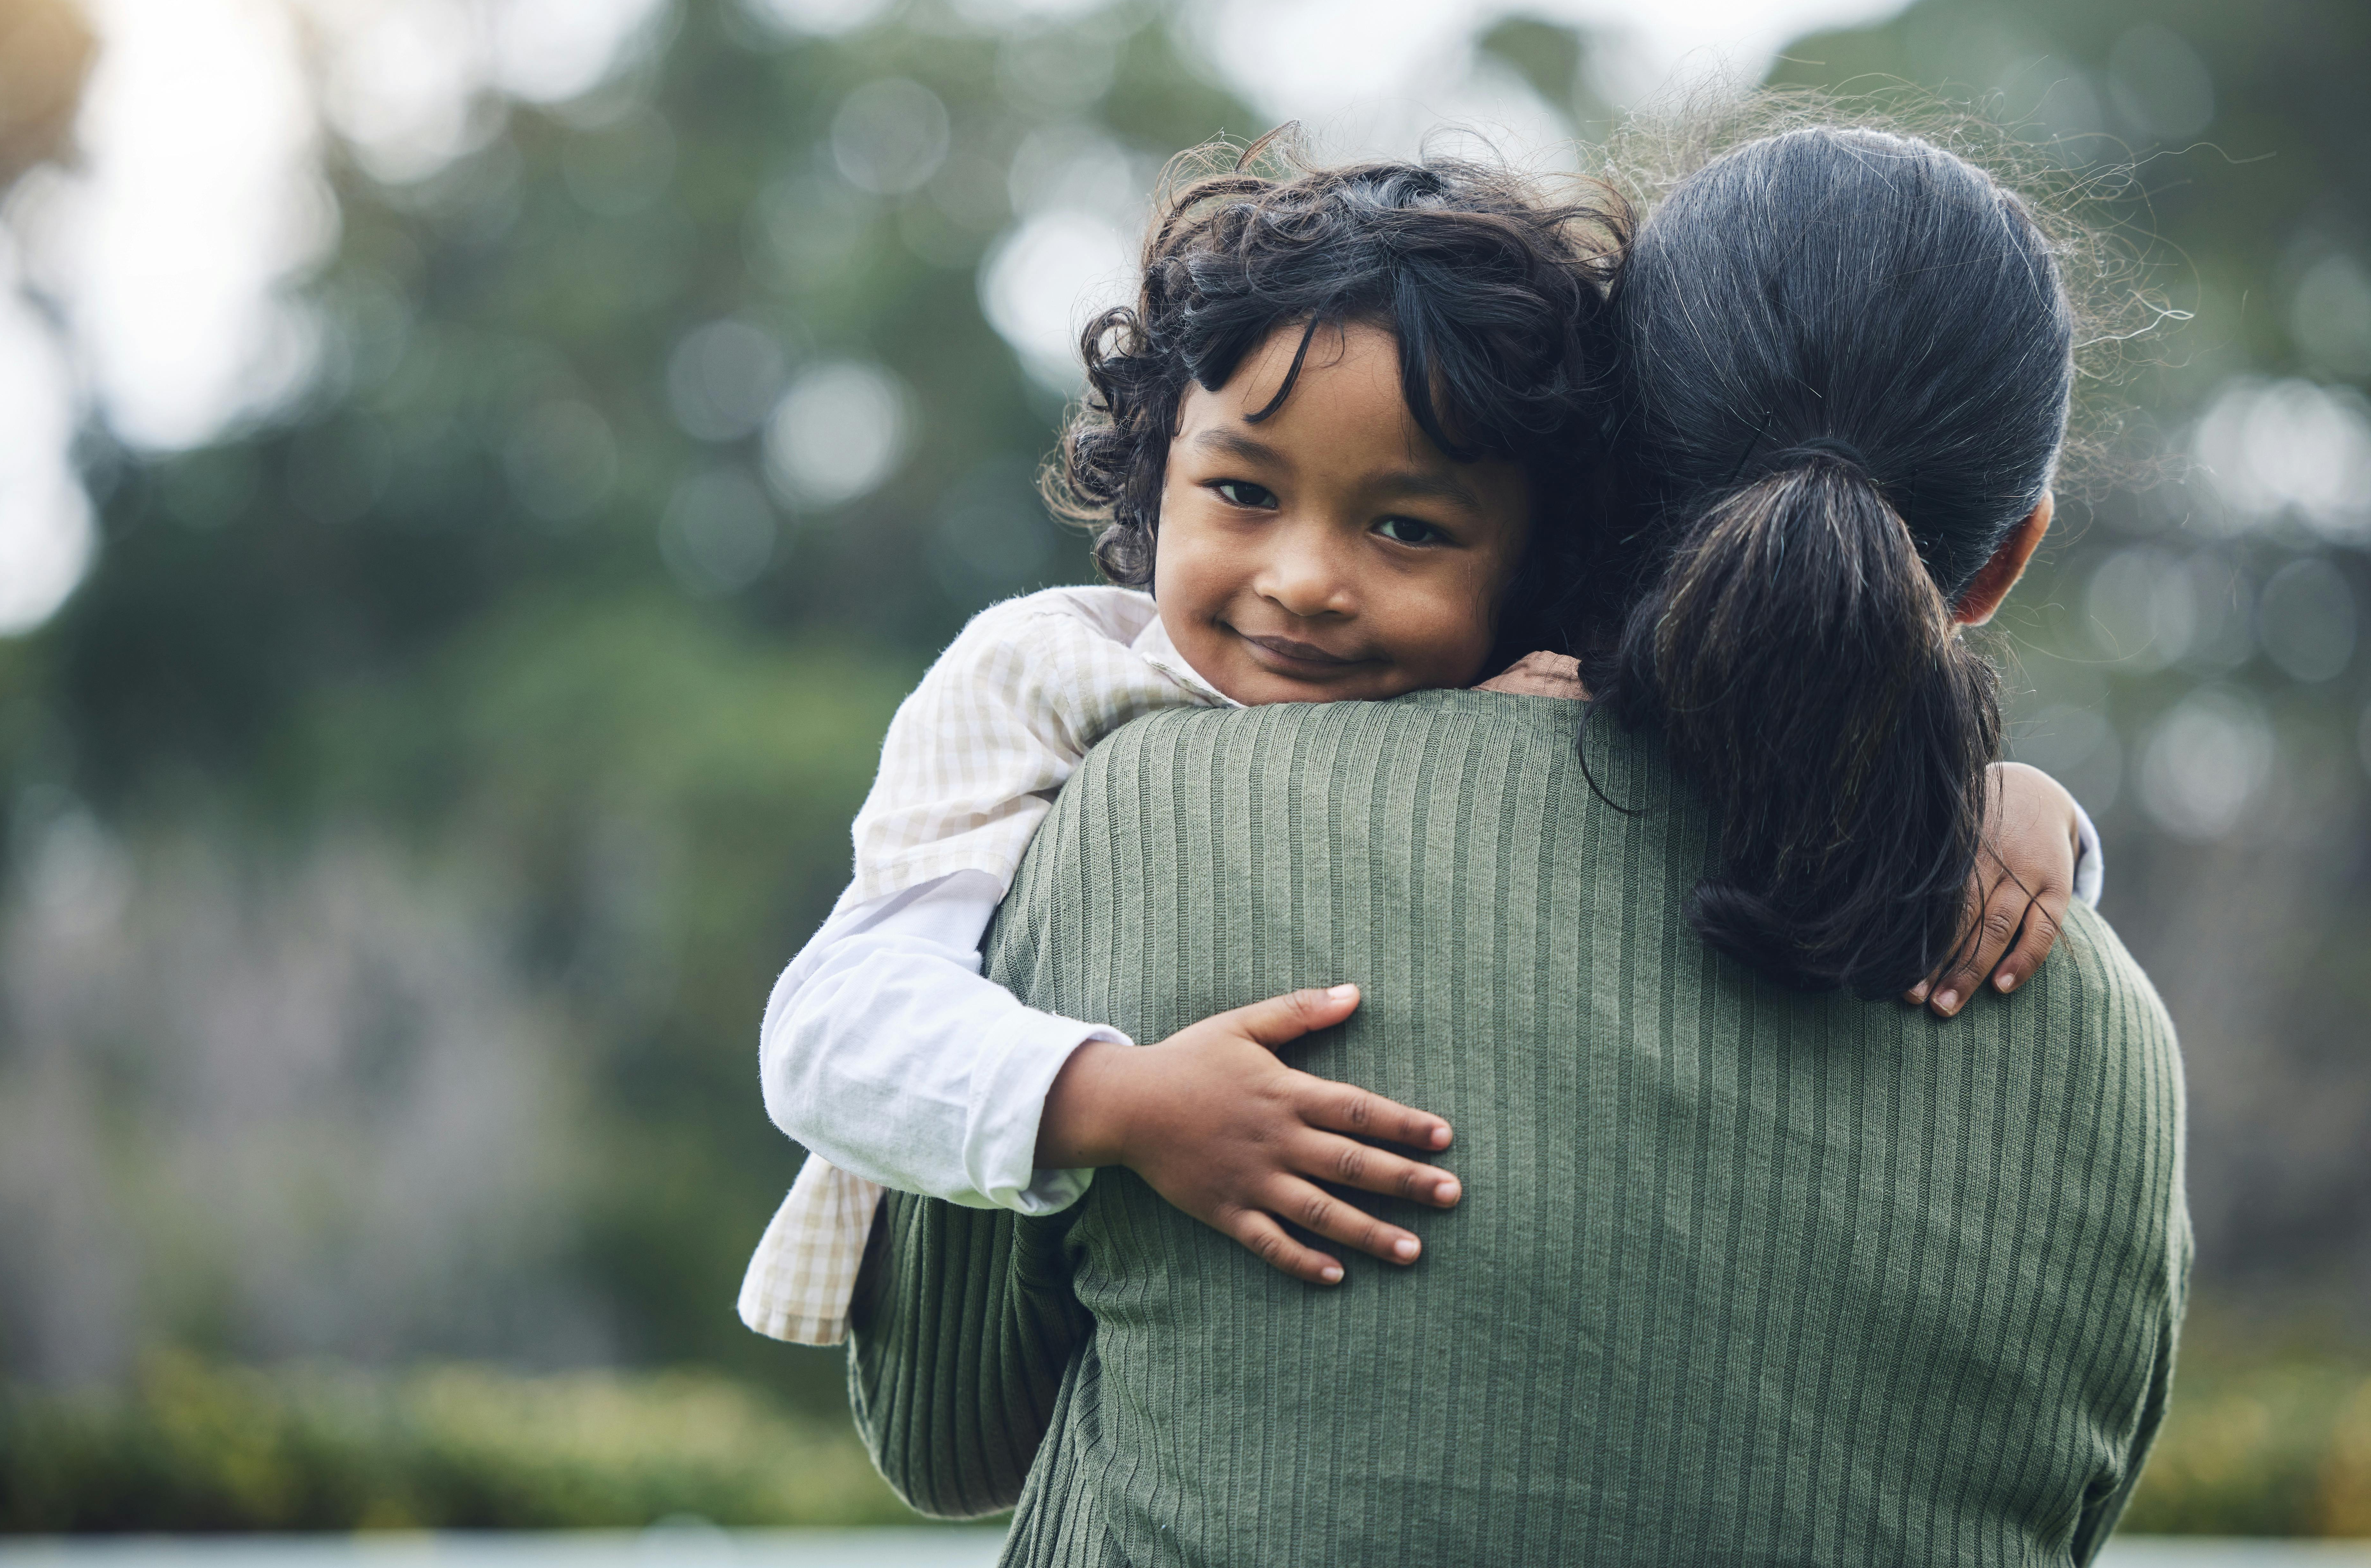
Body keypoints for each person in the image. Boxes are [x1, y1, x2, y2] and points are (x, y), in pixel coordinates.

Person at [844, 126, 2189, 1566]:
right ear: (2005, 554)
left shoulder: (1140, 819)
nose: (1304, 578)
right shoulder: (2099, 1025)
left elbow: (943, 1436)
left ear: (1599, 476)